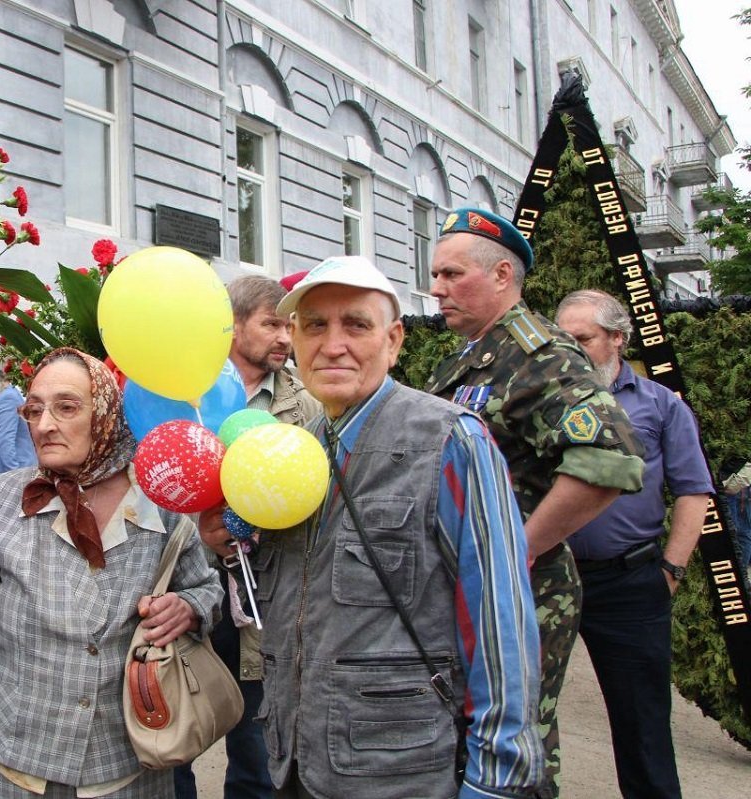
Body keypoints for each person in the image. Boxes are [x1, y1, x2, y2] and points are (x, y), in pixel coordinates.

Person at [215, 256, 543, 798]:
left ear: (393, 341)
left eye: (357, 325)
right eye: (315, 325)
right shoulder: (295, 448)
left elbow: (499, 622)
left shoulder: (450, 440)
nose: (333, 344)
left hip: (401, 771)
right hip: (294, 765)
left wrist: (495, 781)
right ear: (295, 340)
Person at [0, 347, 222, 798]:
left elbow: (206, 587)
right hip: (10, 757)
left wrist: (188, 607)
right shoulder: (8, 496)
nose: (44, 425)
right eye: (34, 409)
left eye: (66, 407)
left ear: (104, 414)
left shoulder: (160, 498)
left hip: (126, 760)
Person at [425, 208, 645, 795]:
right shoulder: (472, 353)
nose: (436, 288)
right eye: (435, 275)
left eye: (451, 274)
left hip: (523, 593)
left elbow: (609, 461)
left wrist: (516, 551)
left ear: (502, 275)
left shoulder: (541, 353)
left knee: (514, 748)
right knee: (467, 738)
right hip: (469, 586)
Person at [555, 289, 711, 799]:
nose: (572, 351)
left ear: (618, 339)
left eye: (584, 339)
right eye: (563, 340)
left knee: (642, 725)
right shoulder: (540, 397)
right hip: (546, 576)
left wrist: (670, 571)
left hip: (629, 582)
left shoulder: (661, 406)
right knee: (518, 710)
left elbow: (693, 490)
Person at [174, 275, 318, 799]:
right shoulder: (186, 391)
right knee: (173, 737)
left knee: (259, 750)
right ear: (234, 328)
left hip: (266, 597)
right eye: (272, 323)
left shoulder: (306, 403)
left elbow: (314, 491)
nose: (285, 336)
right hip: (185, 594)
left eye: (289, 325)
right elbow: (156, 485)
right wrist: (201, 532)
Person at [0, 382, 36, 490]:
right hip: (12, 481)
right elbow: (6, 442)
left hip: (23, 475)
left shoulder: (20, 397)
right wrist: (16, 478)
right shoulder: (10, 398)